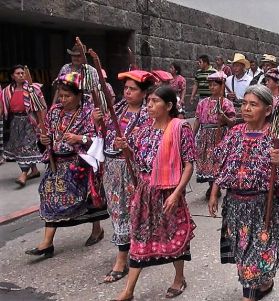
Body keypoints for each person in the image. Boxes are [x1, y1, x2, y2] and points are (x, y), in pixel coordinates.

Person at [209, 84, 279, 301]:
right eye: (244, 103)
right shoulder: (234, 133)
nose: (246, 108)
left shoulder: (278, 136)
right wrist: (215, 192)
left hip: (264, 202)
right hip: (235, 202)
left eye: (254, 104)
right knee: (243, 246)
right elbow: (222, 166)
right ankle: (262, 282)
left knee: (260, 245)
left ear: (268, 110)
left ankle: (249, 294)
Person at [112, 86, 196, 301]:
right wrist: (125, 148)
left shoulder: (180, 128)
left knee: (174, 235)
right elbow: (136, 158)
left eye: (154, 101)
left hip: (169, 192)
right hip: (145, 192)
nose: (149, 105)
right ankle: (129, 290)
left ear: (168, 106)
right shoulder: (143, 130)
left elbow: (188, 165)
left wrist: (176, 194)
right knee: (139, 237)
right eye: (148, 101)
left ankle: (179, 278)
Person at [25, 72, 108, 259]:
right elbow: (46, 133)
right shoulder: (54, 111)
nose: (63, 99)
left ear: (79, 95)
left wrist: (80, 138)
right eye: (61, 96)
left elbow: (98, 138)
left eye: (67, 96)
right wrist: (45, 138)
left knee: (90, 198)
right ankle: (47, 242)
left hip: (79, 162)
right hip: (57, 163)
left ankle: (97, 229)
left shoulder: (89, 112)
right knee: (49, 196)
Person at [92, 70, 153, 283]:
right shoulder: (117, 108)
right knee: (117, 211)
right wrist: (97, 121)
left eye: (133, 89)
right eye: (125, 88)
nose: (127, 92)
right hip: (111, 168)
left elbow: (150, 146)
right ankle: (132, 249)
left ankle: (122, 259)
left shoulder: (148, 116)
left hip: (132, 170)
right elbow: (103, 134)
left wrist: (129, 148)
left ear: (144, 93)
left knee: (130, 210)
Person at [193, 71, 236, 198]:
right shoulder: (202, 103)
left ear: (221, 86)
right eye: (210, 85)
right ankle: (211, 186)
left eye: (215, 85)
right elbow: (197, 120)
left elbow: (232, 123)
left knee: (217, 160)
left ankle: (215, 186)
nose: (212, 87)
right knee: (206, 161)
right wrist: (192, 135)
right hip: (205, 135)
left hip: (219, 134)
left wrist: (224, 118)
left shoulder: (226, 103)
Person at [2, 64, 46, 187]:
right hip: (16, 121)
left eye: (23, 73)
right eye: (18, 73)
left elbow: (42, 106)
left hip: (30, 120)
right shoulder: (7, 91)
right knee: (20, 147)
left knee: (26, 146)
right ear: (12, 76)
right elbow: (3, 107)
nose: (21, 75)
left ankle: (23, 174)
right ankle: (35, 170)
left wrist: (41, 123)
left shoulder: (33, 89)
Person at [226, 53, 252, 120]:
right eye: (234, 66)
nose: (235, 68)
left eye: (237, 66)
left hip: (245, 111)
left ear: (243, 67)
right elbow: (224, 94)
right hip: (231, 111)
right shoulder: (228, 80)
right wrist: (228, 96)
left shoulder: (250, 80)